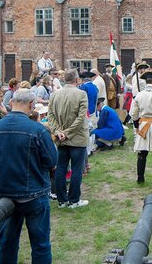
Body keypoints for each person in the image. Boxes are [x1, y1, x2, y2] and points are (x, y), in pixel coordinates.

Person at [0, 89, 57, 263]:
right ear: (30, 105)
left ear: (11, 103)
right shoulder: (38, 130)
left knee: (7, 243)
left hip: (5, 194)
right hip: (33, 194)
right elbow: (51, 161)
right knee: (40, 244)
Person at [48, 69, 89, 209]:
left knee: (61, 168)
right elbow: (81, 117)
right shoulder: (81, 94)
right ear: (77, 79)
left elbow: (51, 116)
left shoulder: (55, 95)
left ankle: (62, 200)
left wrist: (59, 131)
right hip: (76, 137)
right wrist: (64, 132)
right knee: (76, 169)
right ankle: (74, 199)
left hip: (62, 137)